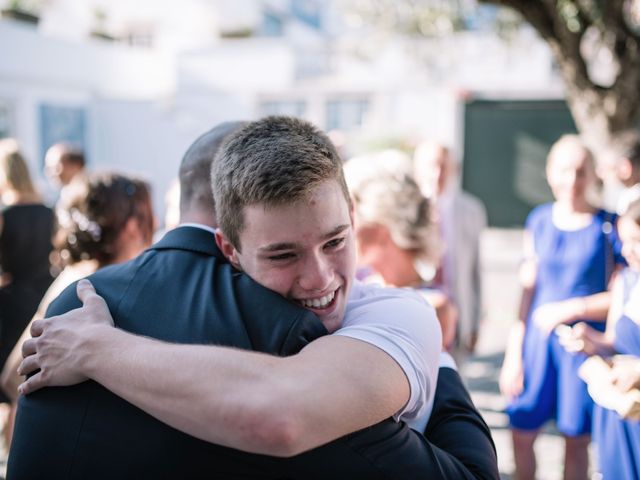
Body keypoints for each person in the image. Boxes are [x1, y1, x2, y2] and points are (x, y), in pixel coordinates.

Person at [13, 118, 498, 479]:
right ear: (230, 248)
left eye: (336, 241)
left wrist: (100, 350)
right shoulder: (276, 332)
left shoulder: (76, 326)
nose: (318, 278)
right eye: (283, 254)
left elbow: (282, 415)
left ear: (353, 216)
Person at [499, 135, 625, 480]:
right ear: (551, 173)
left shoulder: (609, 226)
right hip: (538, 348)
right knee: (521, 432)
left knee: (575, 443)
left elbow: (625, 297)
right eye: (565, 170)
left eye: (581, 171)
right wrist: (514, 353)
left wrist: (571, 308)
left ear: (592, 176)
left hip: (582, 348)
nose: (572, 180)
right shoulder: (538, 221)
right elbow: (526, 293)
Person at [559, 197, 640, 479]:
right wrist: (589, 340)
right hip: (619, 411)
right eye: (623, 240)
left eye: (636, 240)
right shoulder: (625, 281)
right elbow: (613, 341)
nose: (627, 250)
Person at [344, 158, 457, 351]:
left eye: (354, 219)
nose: (346, 232)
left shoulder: (433, 306)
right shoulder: (360, 286)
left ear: (381, 231)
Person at [413, 140, 487, 354]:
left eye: (444, 166)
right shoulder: (408, 210)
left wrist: (475, 321)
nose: (438, 174)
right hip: (418, 314)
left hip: (456, 319)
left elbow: (475, 271)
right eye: (432, 166)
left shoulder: (470, 210)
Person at [0, 139, 55, 402]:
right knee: (34, 368)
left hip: (9, 302)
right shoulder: (49, 212)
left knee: (10, 376)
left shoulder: (4, 214)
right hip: (43, 295)